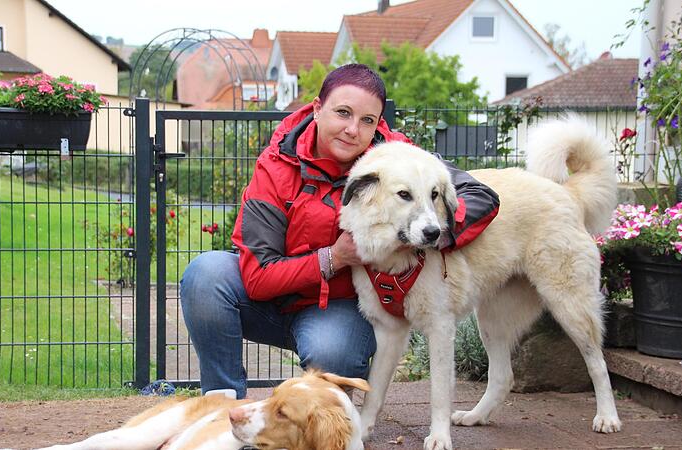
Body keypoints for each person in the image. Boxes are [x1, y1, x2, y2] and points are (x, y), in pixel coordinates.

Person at [180, 64, 499, 400]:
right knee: (205, 275)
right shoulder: (275, 166)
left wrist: (422, 236)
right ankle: (220, 404)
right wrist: (335, 257)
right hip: (272, 301)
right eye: (343, 113)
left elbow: (482, 198)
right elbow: (258, 278)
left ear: (378, 124)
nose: (352, 130)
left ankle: (328, 411)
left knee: (334, 354)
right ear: (317, 109)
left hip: (341, 307)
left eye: (367, 120)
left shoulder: (399, 159)